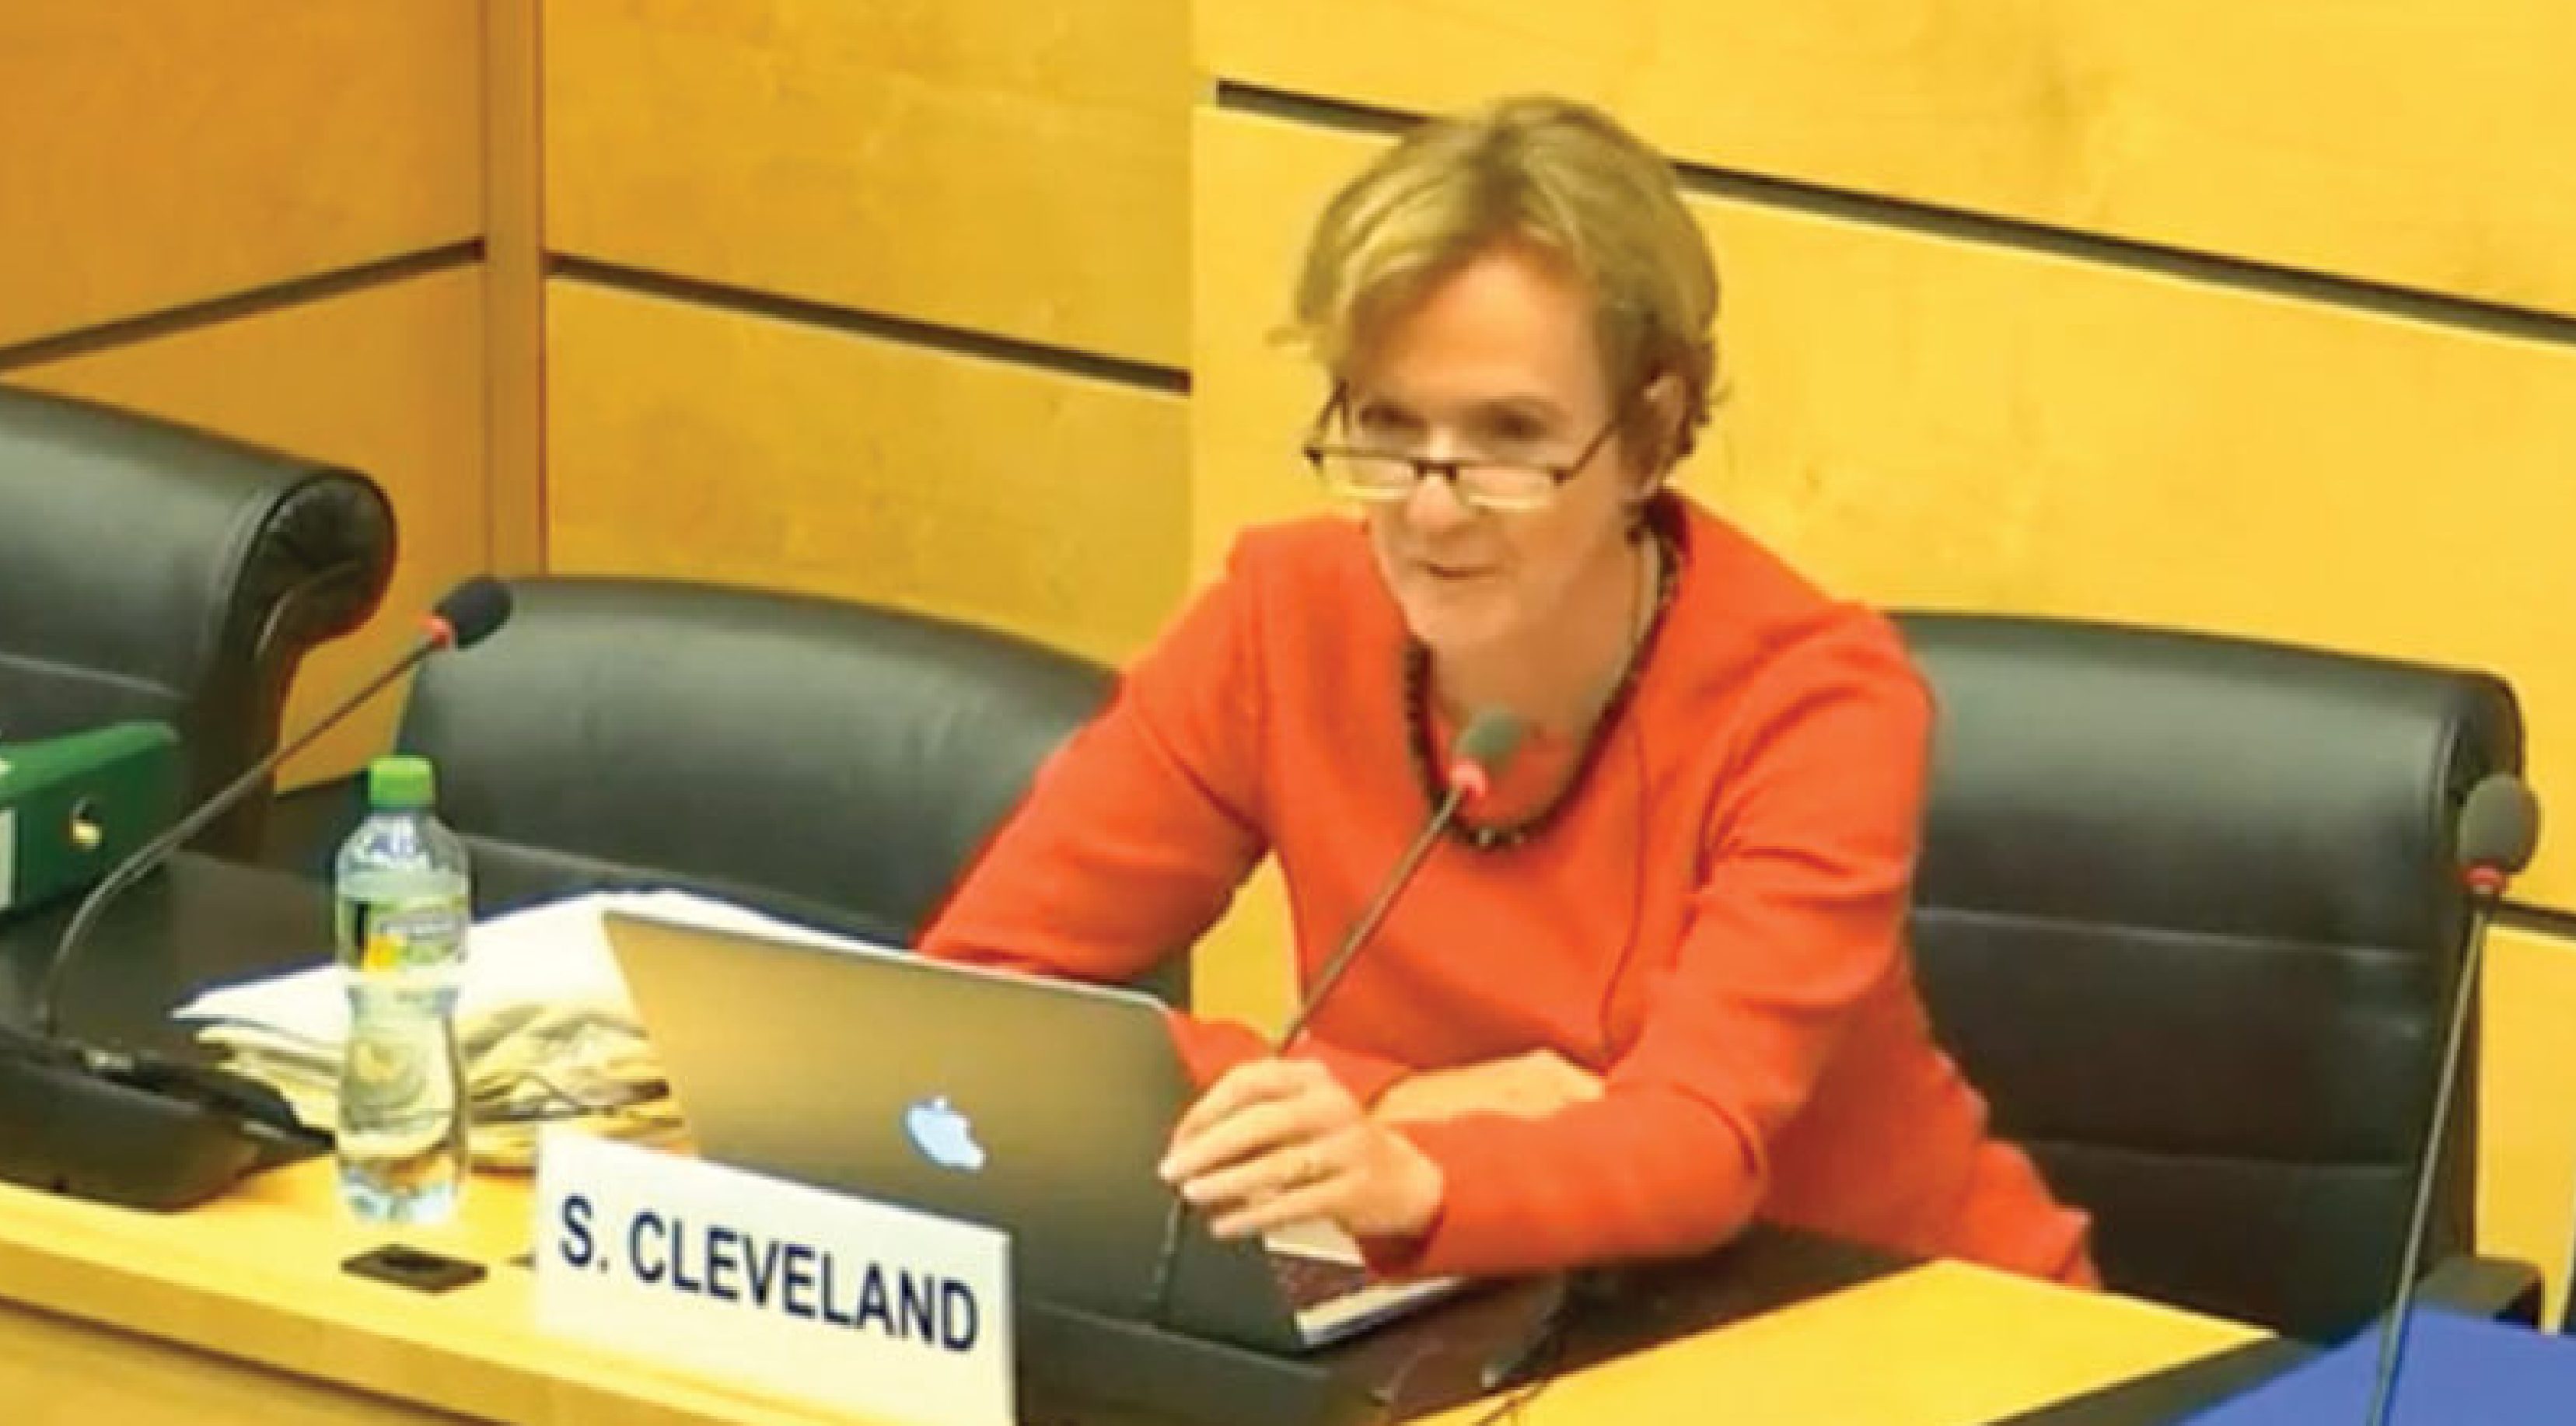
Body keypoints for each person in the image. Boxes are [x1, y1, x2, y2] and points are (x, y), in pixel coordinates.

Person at [921, 95, 2095, 1287]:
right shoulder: (1279, 622)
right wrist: (1391, 1103)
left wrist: (1415, 1174)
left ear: (1648, 435)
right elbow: (978, 1003)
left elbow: (1698, 1142)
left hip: (1902, 1318)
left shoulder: (1813, 705)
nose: (1432, 510)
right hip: (1500, 1311)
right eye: (1387, 427)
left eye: (1508, 438)